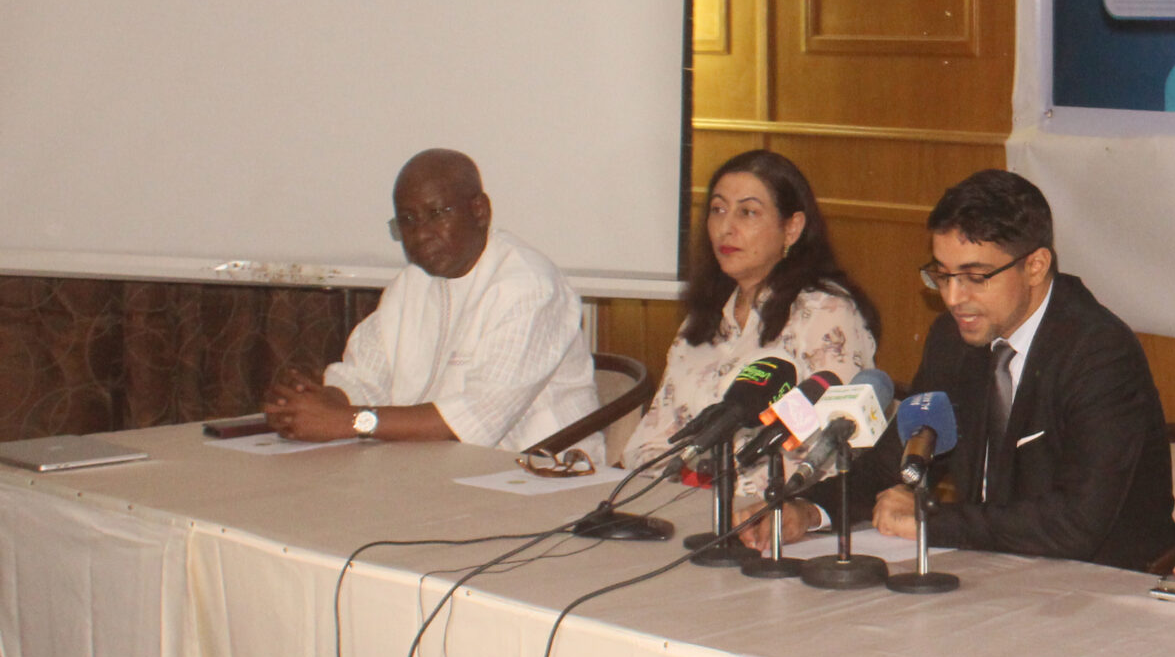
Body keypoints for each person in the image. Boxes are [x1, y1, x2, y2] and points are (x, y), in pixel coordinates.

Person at [766, 169, 1175, 570]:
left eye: (975, 277)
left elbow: (1077, 522)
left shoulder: (1098, 353)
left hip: (1105, 581)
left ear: (1035, 266)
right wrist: (809, 510)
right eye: (942, 275)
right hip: (990, 569)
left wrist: (930, 521)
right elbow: (893, 463)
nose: (952, 297)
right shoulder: (953, 340)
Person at [263, 149, 598, 455]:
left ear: (479, 211)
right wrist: (310, 404)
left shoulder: (528, 286)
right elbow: (363, 377)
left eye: (436, 214)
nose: (421, 234)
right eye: (407, 221)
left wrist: (348, 421)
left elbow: (473, 420)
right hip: (430, 469)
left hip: (537, 477)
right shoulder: (411, 284)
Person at [619, 150, 879, 471]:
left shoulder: (826, 315)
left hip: (776, 499)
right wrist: (668, 480)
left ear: (792, 228)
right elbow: (652, 437)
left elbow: (830, 454)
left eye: (748, 213)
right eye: (718, 210)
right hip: (683, 494)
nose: (725, 227)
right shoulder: (704, 317)